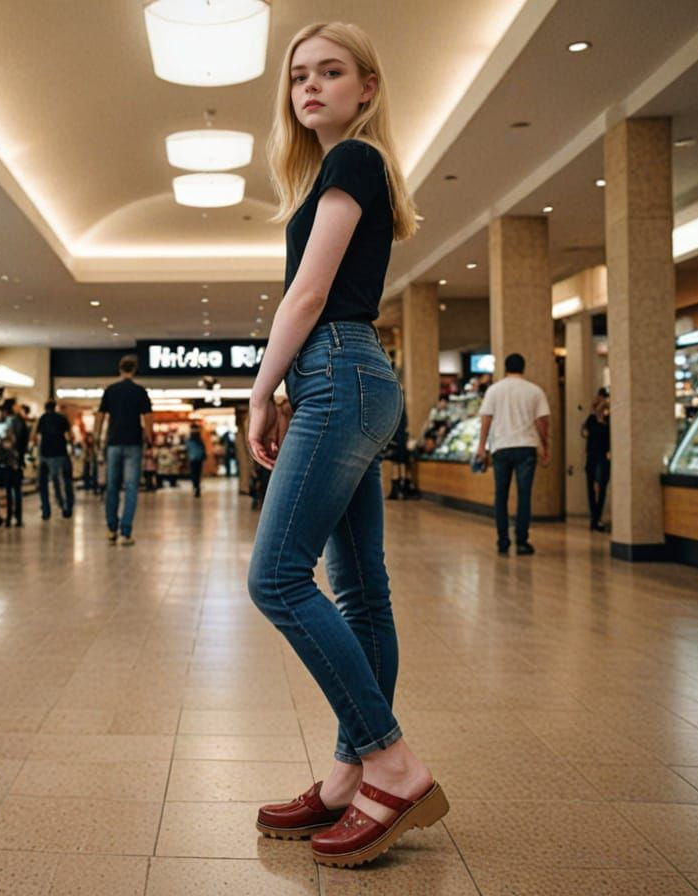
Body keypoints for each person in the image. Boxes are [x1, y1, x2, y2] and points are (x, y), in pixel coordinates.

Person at [246, 22, 447, 868]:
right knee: (362, 589)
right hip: (352, 376)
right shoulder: (339, 171)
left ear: (368, 87)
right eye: (299, 75)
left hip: (334, 370)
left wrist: (261, 392)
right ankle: (344, 778)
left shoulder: (353, 161)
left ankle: (390, 761)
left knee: (277, 577)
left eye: (331, 72)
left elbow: (308, 293)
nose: (311, 87)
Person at [474, 352, 551, 556]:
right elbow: (542, 422)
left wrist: (482, 446)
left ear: (506, 368)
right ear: (523, 368)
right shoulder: (534, 391)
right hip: (526, 447)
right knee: (524, 495)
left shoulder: (494, 390)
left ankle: (503, 541)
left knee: (501, 495)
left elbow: (486, 419)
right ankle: (523, 541)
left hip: (501, 447)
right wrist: (545, 444)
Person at [94, 354, 152, 545]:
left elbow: (100, 415)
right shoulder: (139, 391)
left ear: (120, 369)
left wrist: (96, 437)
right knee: (131, 487)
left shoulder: (110, 390)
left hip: (113, 443)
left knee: (112, 487)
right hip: (134, 443)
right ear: (134, 370)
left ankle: (111, 529)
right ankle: (126, 532)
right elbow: (148, 417)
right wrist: (149, 439)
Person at [33, 399, 74, 519]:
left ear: (45, 408)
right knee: (66, 481)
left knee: (43, 483)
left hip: (45, 454)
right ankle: (67, 508)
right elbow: (70, 435)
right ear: (55, 407)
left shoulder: (42, 418)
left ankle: (46, 510)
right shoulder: (62, 418)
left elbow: (35, 436)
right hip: (61, 453)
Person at [581, 387, 610, 532]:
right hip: (592, 455)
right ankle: (595, 517)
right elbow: (584, 432)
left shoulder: (608, 419)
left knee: (601, 487)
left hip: (603, 456)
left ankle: (597, 517)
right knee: (592, 488)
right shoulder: (591, 419)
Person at [0, 398, 28, 526]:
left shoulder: (3, 421)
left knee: (8, 490)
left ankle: (8, 517)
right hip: (16, 461)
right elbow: (23, 441)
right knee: (16, 490)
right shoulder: (18, 421)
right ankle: (18, 517)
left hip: (5, 462)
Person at [186, 427, 207, 497]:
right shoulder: (200, 441)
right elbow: (203, 450)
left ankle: (196, 486)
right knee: (198, 474)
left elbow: (187, 448)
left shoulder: (190, 441)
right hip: (199, 459)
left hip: (193, 459)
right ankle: (197, 486)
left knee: (194, 474)